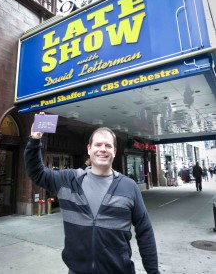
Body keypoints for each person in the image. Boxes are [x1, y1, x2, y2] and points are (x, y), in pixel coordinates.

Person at [24, 114, 160, 274]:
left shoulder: (129, 187)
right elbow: (37, 173)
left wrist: (153, 272)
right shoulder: (68, 180)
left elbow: (145, 232)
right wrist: (35, 139)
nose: (103, 149)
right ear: (89, 149)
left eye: (108, 146)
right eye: (98, 145)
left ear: (114, 151)